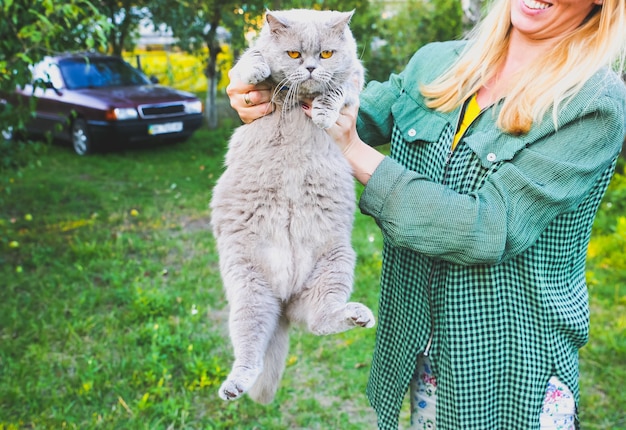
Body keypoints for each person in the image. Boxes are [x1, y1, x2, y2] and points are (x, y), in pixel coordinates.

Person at [226, 0, 626, 427]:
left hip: (508, 362)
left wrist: (354, 153)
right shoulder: (436, 62)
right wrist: (265, 89)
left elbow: (490, 228)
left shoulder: (594, 103)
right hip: (423, 346)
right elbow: (347, 114)